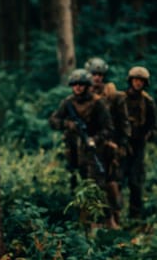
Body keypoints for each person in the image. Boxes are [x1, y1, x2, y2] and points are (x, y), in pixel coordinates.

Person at [49, 68, 114, 226]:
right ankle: (80, 221)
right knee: (75, 184)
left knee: (95, 185)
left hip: (92, 150)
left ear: (87, 86)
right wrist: (68, 124)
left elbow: (108, 128)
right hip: (72, 150)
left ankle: (102, 220)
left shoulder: (97, 103)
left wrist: (95, 139)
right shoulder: (68, 103)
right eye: (75, 84)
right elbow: (53, 121)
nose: (77, 87)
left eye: (81, 84)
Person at [85, 57, 131, 227]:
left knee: (113, 181)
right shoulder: (84, 95)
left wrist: (122, 144)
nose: (97, 77)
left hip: (110, 146)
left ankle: (115, 218)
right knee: (92, 183)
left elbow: (123, 121)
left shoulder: (114, 95)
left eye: (100, 74)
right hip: (91, 146)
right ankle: (94, 220)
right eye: (94, 74)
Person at [122, 66, 156, 219]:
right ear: (131, 81)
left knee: (136, 181)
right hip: (122, 143)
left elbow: (152, 124)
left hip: (138, 144)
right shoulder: (121, 98)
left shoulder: (148, 101)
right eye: (135, 80)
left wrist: (147, 135)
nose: (138, 83)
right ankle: (114, 214)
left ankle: (135, 215)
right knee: (117, 178)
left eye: (141, 81)